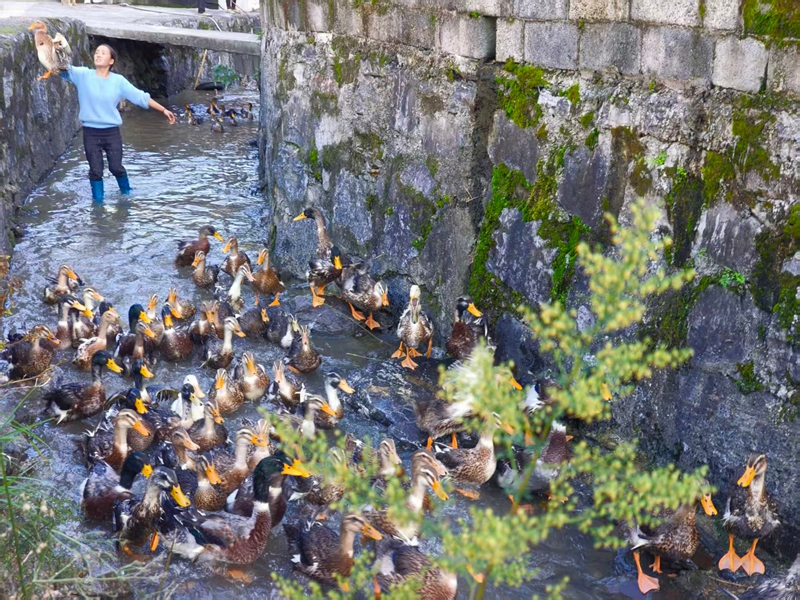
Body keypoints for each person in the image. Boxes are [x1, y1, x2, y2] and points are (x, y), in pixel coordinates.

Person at [61, 44, 176, 202]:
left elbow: (140, 96)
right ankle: (98, 204)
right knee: (95, 171)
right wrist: (51, 48)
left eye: (103, 53)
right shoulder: (83, 75)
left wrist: (163, 110)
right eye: (97, 53)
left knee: (116, 167)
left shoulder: (118, 81)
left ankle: (127, 193)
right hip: (90, 132)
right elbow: (61, 68)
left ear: (111, 61)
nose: (98, 55)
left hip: (111, 132)